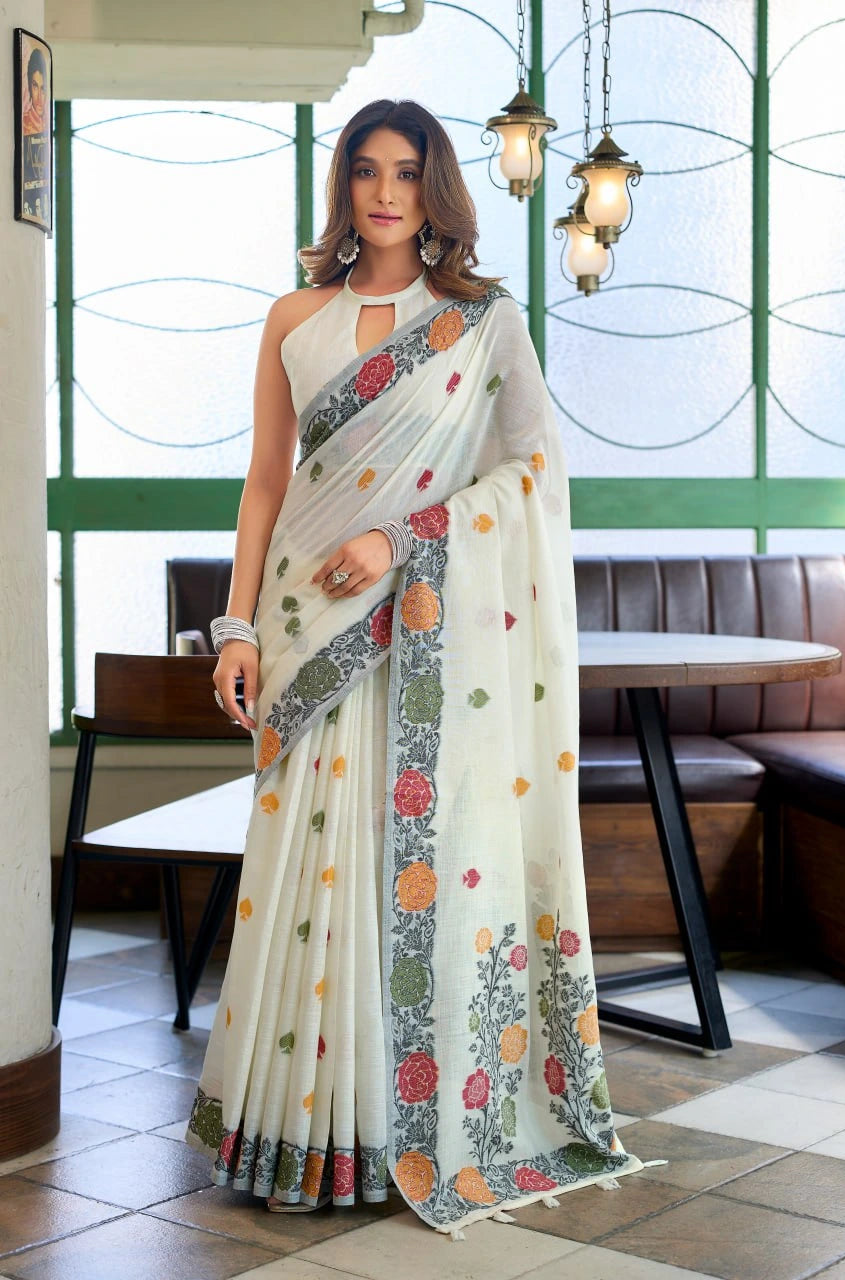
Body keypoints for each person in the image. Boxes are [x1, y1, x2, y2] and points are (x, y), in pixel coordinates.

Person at [185, 98, 655, 1240]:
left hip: (418, 622)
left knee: (405, 862)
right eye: (364, 171)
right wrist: (236, 624)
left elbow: (532, 473)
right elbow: (262, 481)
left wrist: (403, 542)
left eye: (406, 172)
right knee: (308, 869)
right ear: (342, 185)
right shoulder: (293, 317)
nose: (385, 192)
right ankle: (297, 1128)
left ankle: (390, 1127)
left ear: (434, 186)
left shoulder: (479, 323)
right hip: (303, 622)